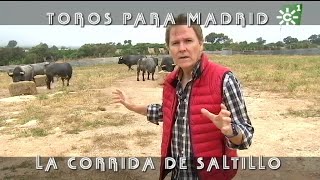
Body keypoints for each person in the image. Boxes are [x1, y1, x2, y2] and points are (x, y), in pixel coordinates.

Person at [112, 13, 254, 180]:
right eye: (175, 43)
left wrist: (230, 131)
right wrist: (131, 106)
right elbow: (167, 112)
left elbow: (246, 136)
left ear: (200, 44)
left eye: (188, 41)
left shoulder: (224, 79)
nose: (182, 48)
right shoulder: (171, 82)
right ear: (169, 48)